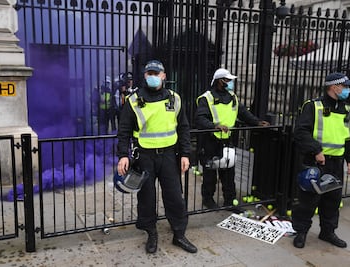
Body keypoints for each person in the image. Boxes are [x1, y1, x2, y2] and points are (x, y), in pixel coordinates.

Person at [116, 60, 197, 254]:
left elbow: (184, 128)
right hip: (144, 156)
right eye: (149, 73)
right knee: (147, 198)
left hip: (169, 155)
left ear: (164, 75)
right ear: (145, 76)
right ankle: (151, 233)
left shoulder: (174, 98)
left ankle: (179, 234)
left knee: (175, 197)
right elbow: (124, 130)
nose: (153, 76)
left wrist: (186, 153)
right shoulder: (134, 100)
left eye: (156, 73)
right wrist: (122, 155)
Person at [291, 72, 350, 249]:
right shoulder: (313, 106)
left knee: (332, 200)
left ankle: (327, 232)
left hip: (336, 163)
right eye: (344, 86)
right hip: (315, 162)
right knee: (308, 200)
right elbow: (300, 132)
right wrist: (316, 150)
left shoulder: (348, 110)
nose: (347, 90)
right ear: (334, 87)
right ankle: (301, 232)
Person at [194, 68, 270, 211]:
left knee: (229, 173)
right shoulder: (207, 98)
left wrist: (257, 122)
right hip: (210, 141)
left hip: (227, 141)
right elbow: (199, 118)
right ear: (219, 81)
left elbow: (243, 113)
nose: (230, 83)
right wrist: (214, 126)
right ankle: (208, 199)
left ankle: (229, 201)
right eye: (227, 80)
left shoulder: (233, 97)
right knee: (210, 174)